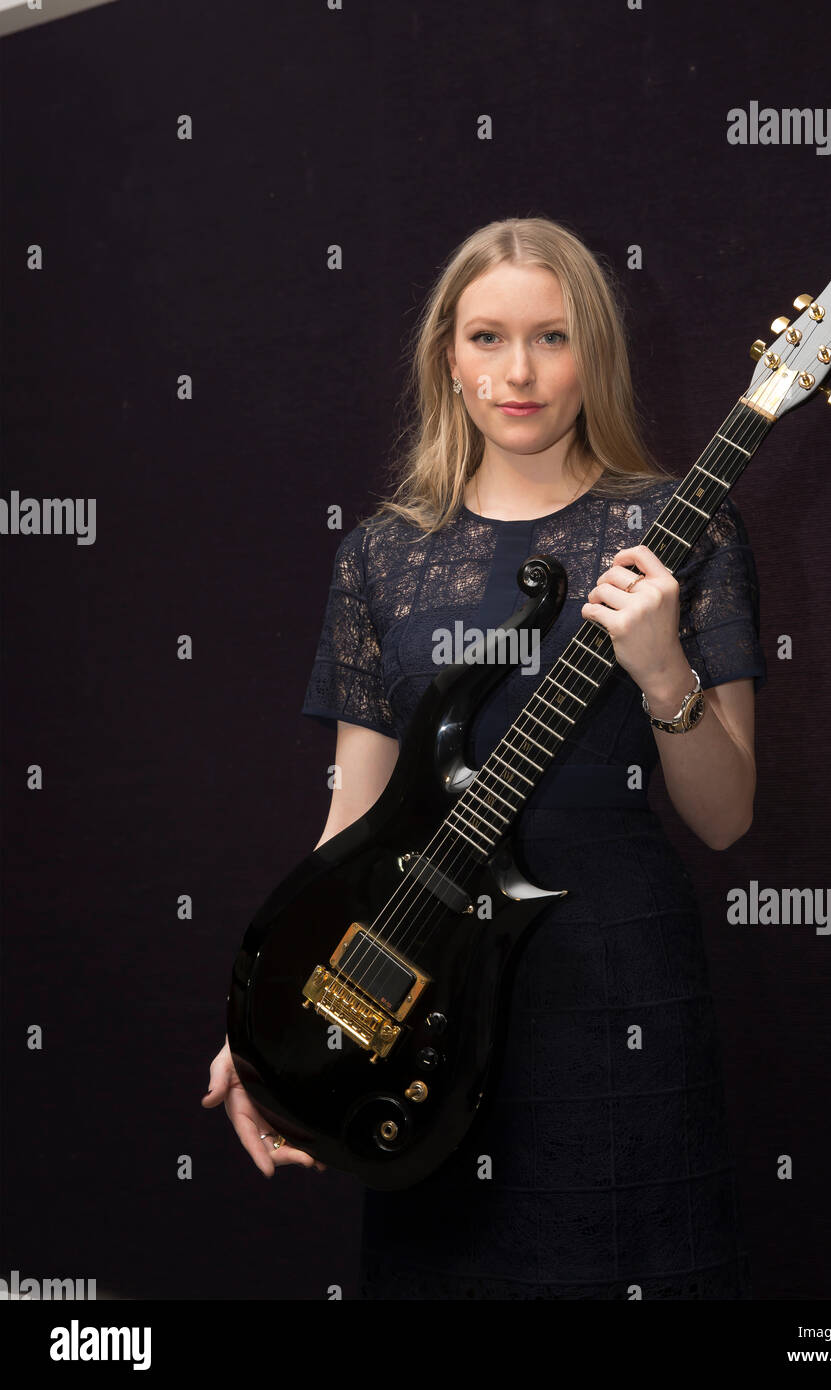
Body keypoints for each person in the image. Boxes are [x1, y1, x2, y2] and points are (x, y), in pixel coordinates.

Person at [204, 215, 767, 1299]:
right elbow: (350, 830)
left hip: (613, 977)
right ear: (446, 358)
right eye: (487, 338)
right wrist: (265, 1019)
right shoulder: (382, 555)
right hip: (424, 994)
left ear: (594, 354)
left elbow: (728, 814)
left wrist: (663, 676)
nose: (519, 371)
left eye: (553, 338)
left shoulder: (683, 528)